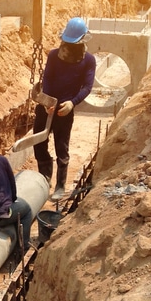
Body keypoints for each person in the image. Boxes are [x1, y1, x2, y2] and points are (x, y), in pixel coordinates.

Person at [32, 17, 96, 200]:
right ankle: (45, 176)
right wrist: (47, 102)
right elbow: (48, 79)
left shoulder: (88, 61)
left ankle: (60, 185)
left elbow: (87, 87)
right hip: (47, 106)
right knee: (39, 142)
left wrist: (72, 103)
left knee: (61, 147)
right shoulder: (53, 55)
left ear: (83, 40)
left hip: (65, 109)